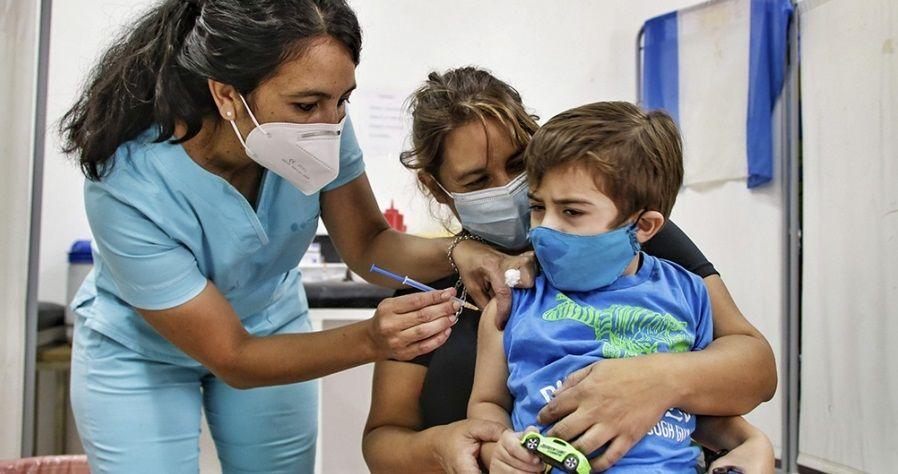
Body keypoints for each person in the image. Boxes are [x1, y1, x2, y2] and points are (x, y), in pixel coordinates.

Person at [61, 2, 523, 473]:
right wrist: (371, 339)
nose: (329, 123)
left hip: (268, 319)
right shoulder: (128, 181)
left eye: (342, 101)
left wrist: (459, 251)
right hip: (141, 352)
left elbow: (367, 244)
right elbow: (234, 356)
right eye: (306, 106)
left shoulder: (320, 123)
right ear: (226, 94)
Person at [363, 68, 776, 473]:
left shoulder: (632, 243)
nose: (509, 189)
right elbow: (384, 440)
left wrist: (665, 387)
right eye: (477, 180)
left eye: (518, 163)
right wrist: (458, 447)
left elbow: (750, 366)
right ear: (436, 188)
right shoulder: (442, 291)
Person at [468, 101, 774, 473]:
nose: (545, 228)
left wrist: (745, 442)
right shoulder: (512, 304)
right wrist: (498, 451)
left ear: (643, 226)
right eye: (537, 207)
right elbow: (487, 405)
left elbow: (699, 405)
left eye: (571, 211)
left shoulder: (688, 294)